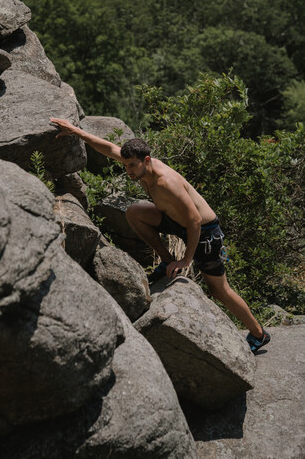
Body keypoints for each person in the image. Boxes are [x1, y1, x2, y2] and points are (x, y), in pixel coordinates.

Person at [50, 117, 271, 354]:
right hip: (174, 221)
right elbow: (110, 148)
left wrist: (186, 260)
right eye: (126, 166)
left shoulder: (167, 183)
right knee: (135, 213)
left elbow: (195, 220)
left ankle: (259, 334)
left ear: (146, 160)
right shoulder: (138, 164)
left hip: (205, 233)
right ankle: (166, 260)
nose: (129, 171)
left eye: (132, 165)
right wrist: (76, 131)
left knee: (219, 290)